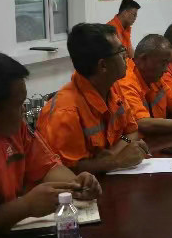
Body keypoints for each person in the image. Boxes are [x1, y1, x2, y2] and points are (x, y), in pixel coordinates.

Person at [0, 52, 101, 238]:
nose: (24, 110)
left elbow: (48, 167)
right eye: (18, 105)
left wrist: (77, 186)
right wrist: (25, 207)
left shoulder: (13, 130)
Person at [37, 23, 149, 173]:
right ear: (103, 66)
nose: (127, 55)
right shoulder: (66, 112)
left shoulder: (112, 86)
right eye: (121, 50)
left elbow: (132, 131)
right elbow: (65, 170)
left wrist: (112, 155)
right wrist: (116, 161)